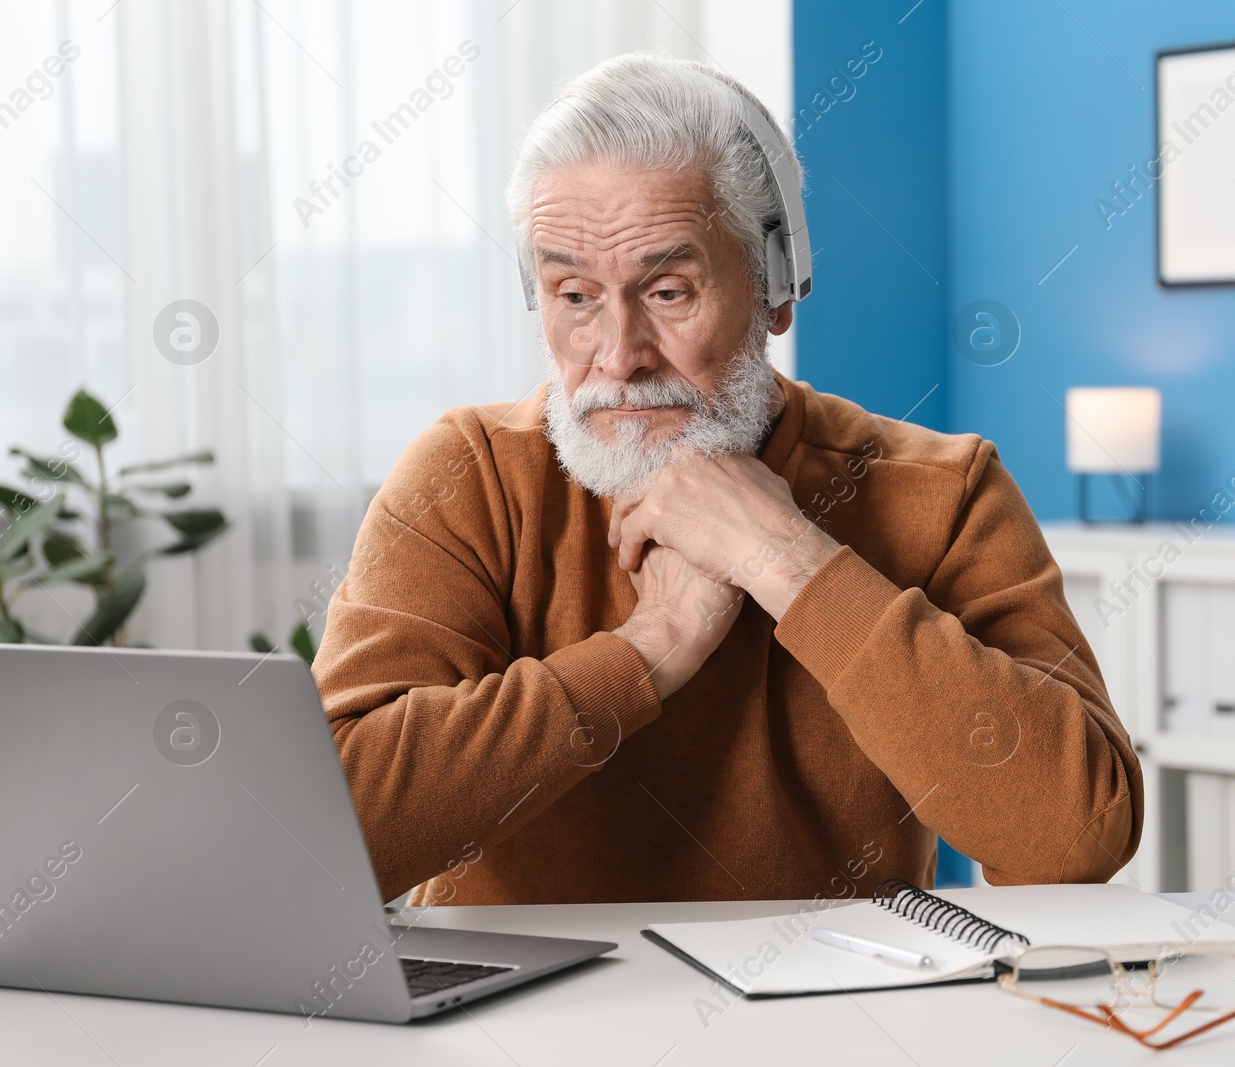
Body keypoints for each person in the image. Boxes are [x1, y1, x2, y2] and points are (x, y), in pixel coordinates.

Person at [314, 52, 1142, 907]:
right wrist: (652, 646)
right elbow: (326, 835)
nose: (617, 356)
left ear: (777, 289)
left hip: (829, 1027)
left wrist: (786, 557)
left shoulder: (943, 491)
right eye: (574, 295)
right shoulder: (469, 477)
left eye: (668, 292)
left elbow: (1071, 839)